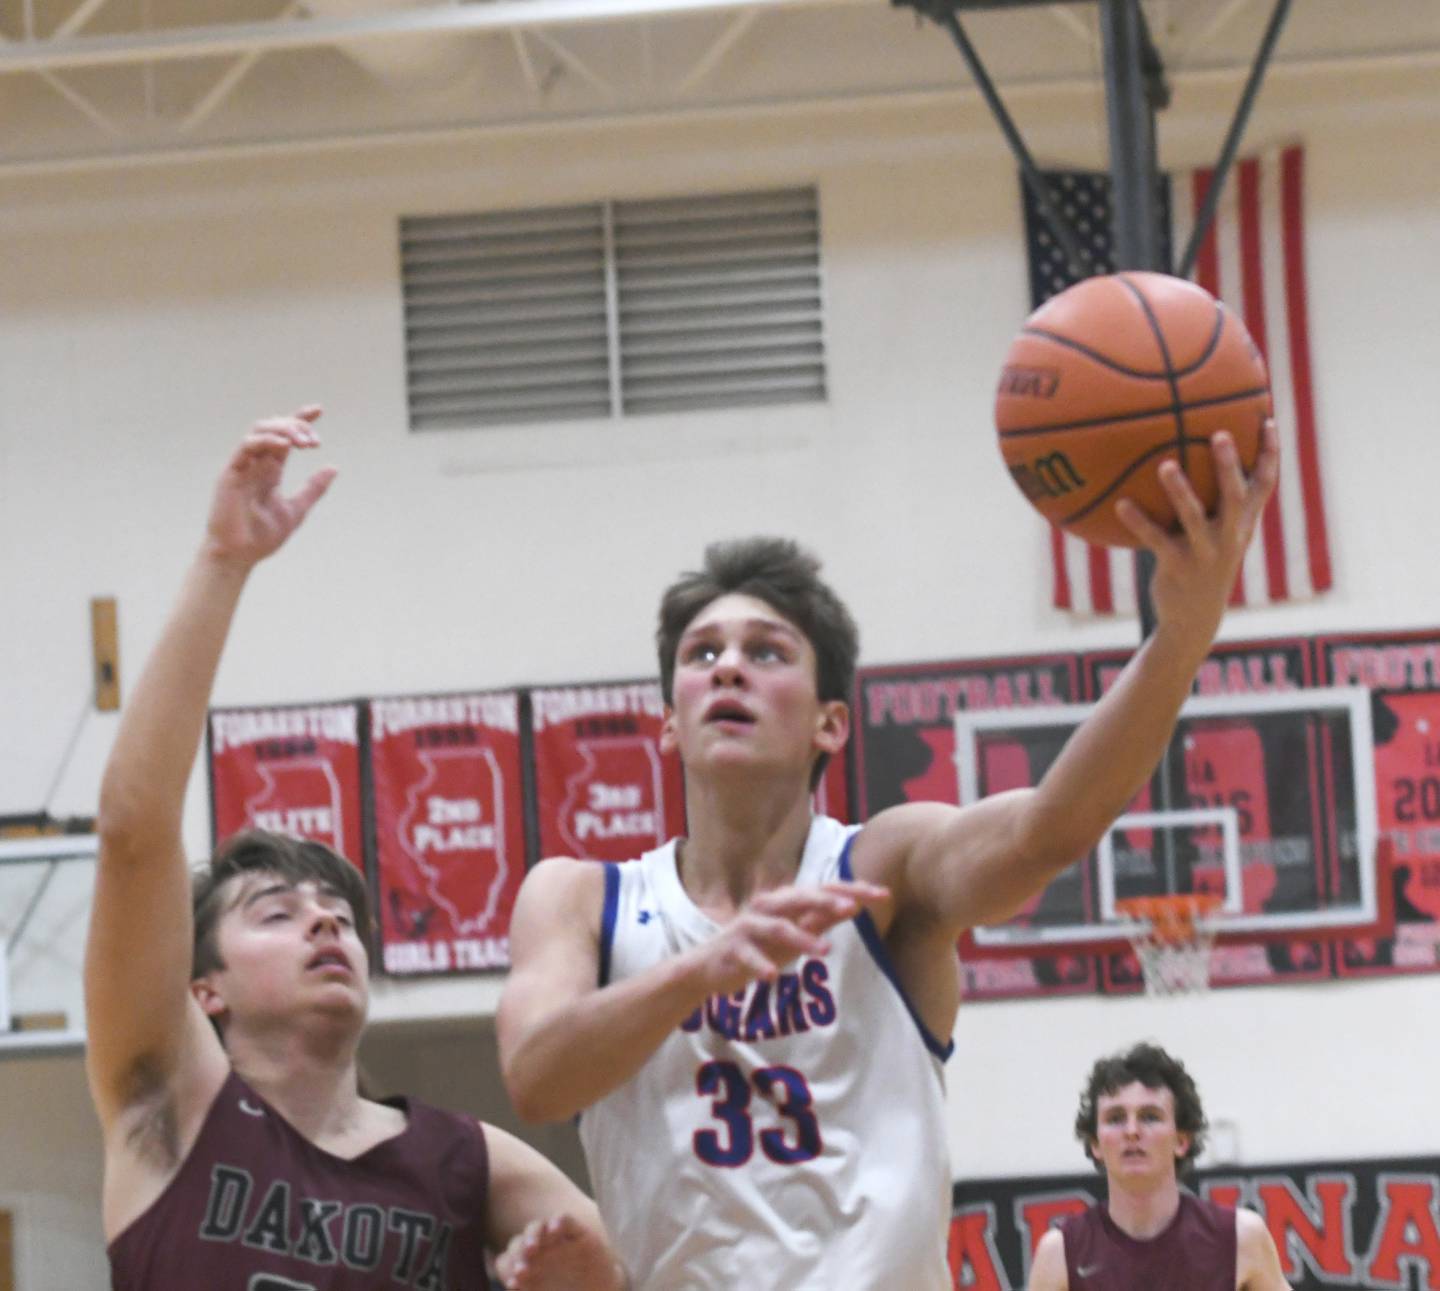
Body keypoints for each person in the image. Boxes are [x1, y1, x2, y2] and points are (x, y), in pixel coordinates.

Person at [497, 423, 1281, 1289]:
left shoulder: (883, 868)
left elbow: (1047, 829)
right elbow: (535, 1075)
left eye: (766, 651)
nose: (728, 669)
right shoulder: (580, 897)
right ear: (669, 722)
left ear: (831, 721)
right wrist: (699, 972)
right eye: (702, 653)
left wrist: (1180, 638)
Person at [87, 408, 625, 1291]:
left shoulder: (466, 1158)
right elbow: (133, 830)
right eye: (278, 913)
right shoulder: (168, 1105)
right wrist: (224, 563)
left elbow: (641, 1266)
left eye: (338, 915)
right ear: (202, 987)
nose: (326, 925)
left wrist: (588, 1279)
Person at [1027, 1042, 1290, 1291]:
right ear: (1095, 1142)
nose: (1131, 1131)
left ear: (1181, 1140)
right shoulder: (1060, 1253)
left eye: (1149, 1117)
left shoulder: (1241, 1237)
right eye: (1116, 1118)